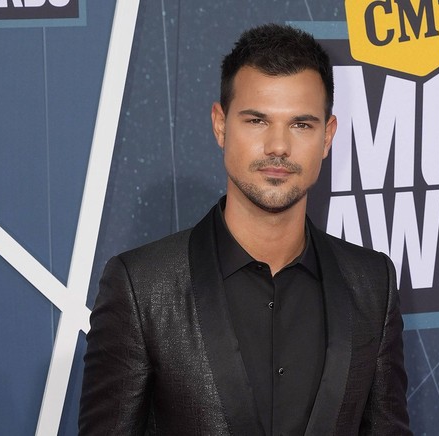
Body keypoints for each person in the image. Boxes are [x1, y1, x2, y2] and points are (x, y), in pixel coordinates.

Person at [79, 23, 412, 435]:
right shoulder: (142, 289)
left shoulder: (372, 284)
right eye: (257, 121)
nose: (277, 146)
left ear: (327, 136)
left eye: (301, 125)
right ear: (221, 125)